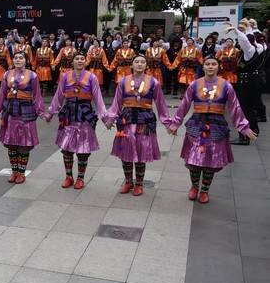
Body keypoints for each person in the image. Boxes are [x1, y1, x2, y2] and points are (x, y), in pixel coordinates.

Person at [168, 55, 256, 204]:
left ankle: (205, 190)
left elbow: (235, 108)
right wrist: (175, 123)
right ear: (203, 67)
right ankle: (194, 187)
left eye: (213, 64)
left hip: (217, 125)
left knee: (210, 158)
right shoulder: (195, 84)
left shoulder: (226, 85)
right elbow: (184, 105)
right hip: (197, 123)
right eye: (207, 64)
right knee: (194, 159)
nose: (210, 66)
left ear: (218, 67)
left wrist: (244, 127)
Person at [105, 54, 171, 196]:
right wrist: (110, 118)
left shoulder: (153, 82)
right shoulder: (123, 81)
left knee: (141, 150)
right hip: (127, 118)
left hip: (145, 119)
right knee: (125, 150)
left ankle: (139, 184)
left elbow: (161, 104)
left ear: (146, 66)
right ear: (132, 65)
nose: (139, 64)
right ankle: (128, 181)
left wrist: (168, 123)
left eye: (142, 62)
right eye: (137, 62)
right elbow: (117, 102)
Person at [44, 52, 108, 190]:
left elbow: (98, 99)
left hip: (85, 113)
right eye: (77, 59)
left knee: (83, 149)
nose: (79, 61)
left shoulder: (92, 77)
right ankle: (68, 176)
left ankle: (80, 178)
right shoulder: (65, 76)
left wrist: (105, 117)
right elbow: (58, 96)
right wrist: (51, 113)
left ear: (86, 62)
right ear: (72, 62)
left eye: (82, 59)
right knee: (66, 148)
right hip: (69, 113)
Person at [0, 51, 44, 184]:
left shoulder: (33, 75)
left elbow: (37, 96)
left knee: (24, 144)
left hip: (26, 110)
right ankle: (14, 171)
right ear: (13, 60)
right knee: (11, 143)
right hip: (10, 111)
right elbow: (2, 94)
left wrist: (42, 113)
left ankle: (22, 173)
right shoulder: (7, 74)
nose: (18, 60)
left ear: (26, 60)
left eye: (21, 58)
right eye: (16, 58)